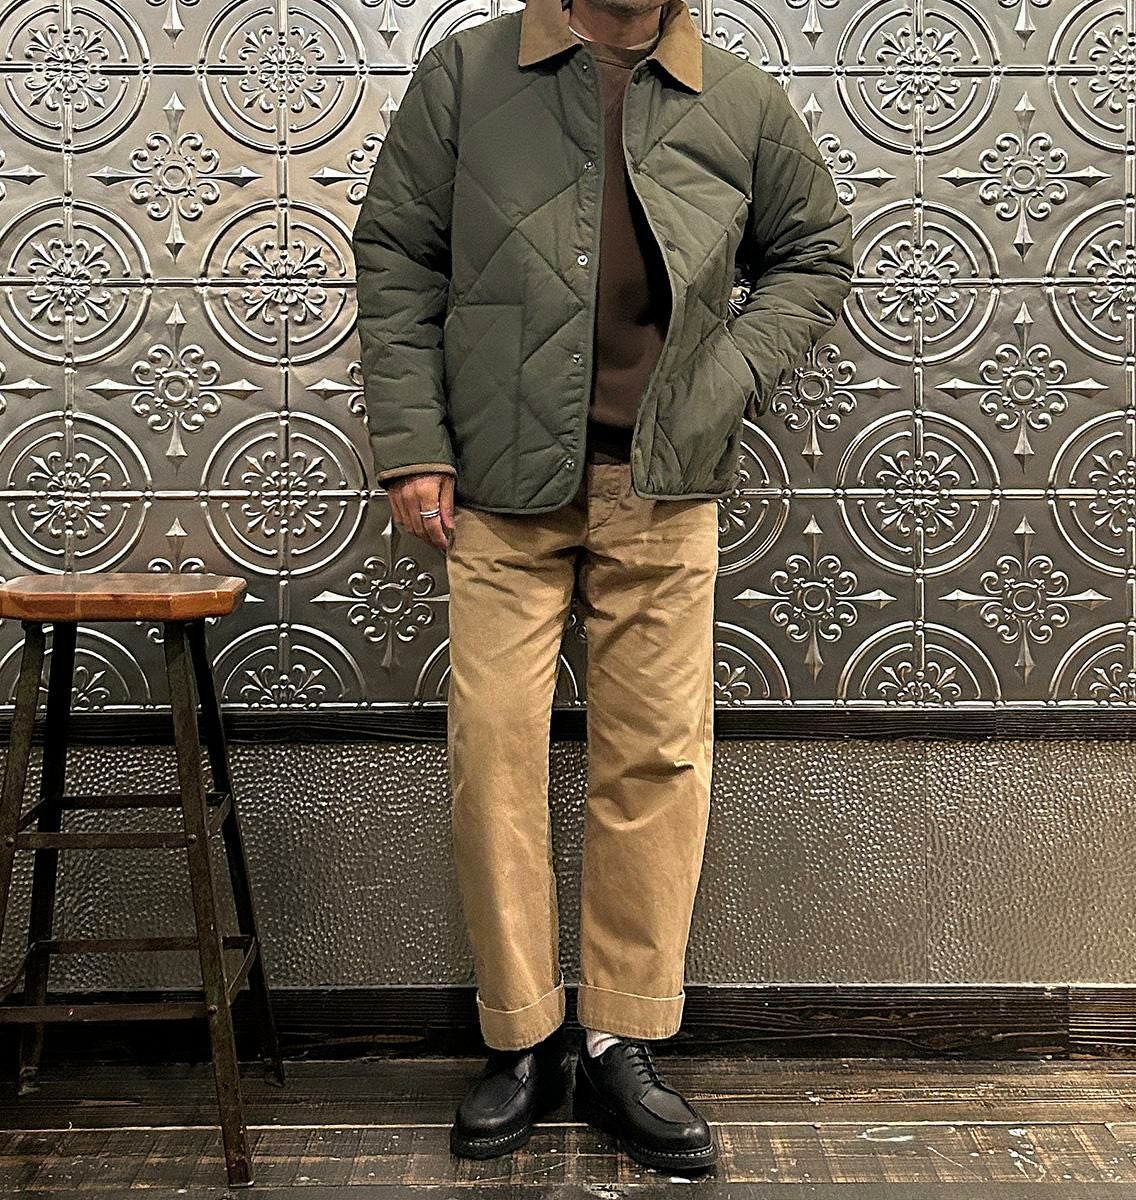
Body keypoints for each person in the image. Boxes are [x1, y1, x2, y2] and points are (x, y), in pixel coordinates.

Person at [352, 0, 854, 1174]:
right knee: (494, 751)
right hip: (497, 484)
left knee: (657, 758)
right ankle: (522, 1036)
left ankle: (623, 1036)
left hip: (666, 482)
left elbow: (816, 253)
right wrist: (414, 443)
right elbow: (397, 255)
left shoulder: (736, 95)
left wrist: (727, 373)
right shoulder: (468, 74)